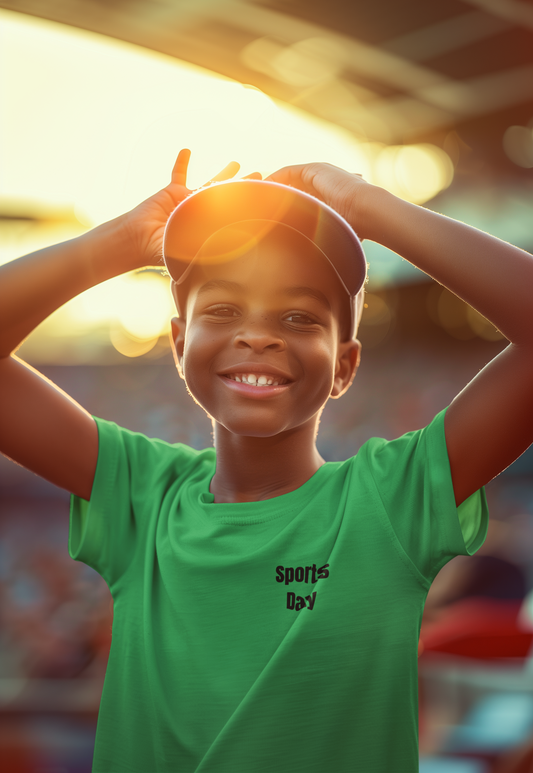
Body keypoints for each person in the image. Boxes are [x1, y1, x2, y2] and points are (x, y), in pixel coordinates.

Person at [1, 147, 532, 773]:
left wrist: (371, 207)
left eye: (299, 316)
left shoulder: (390, 500)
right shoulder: (142, 495)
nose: (258, 334)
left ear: (345, 365)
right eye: (223, 309)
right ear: (178, 343)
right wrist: (114, 245)